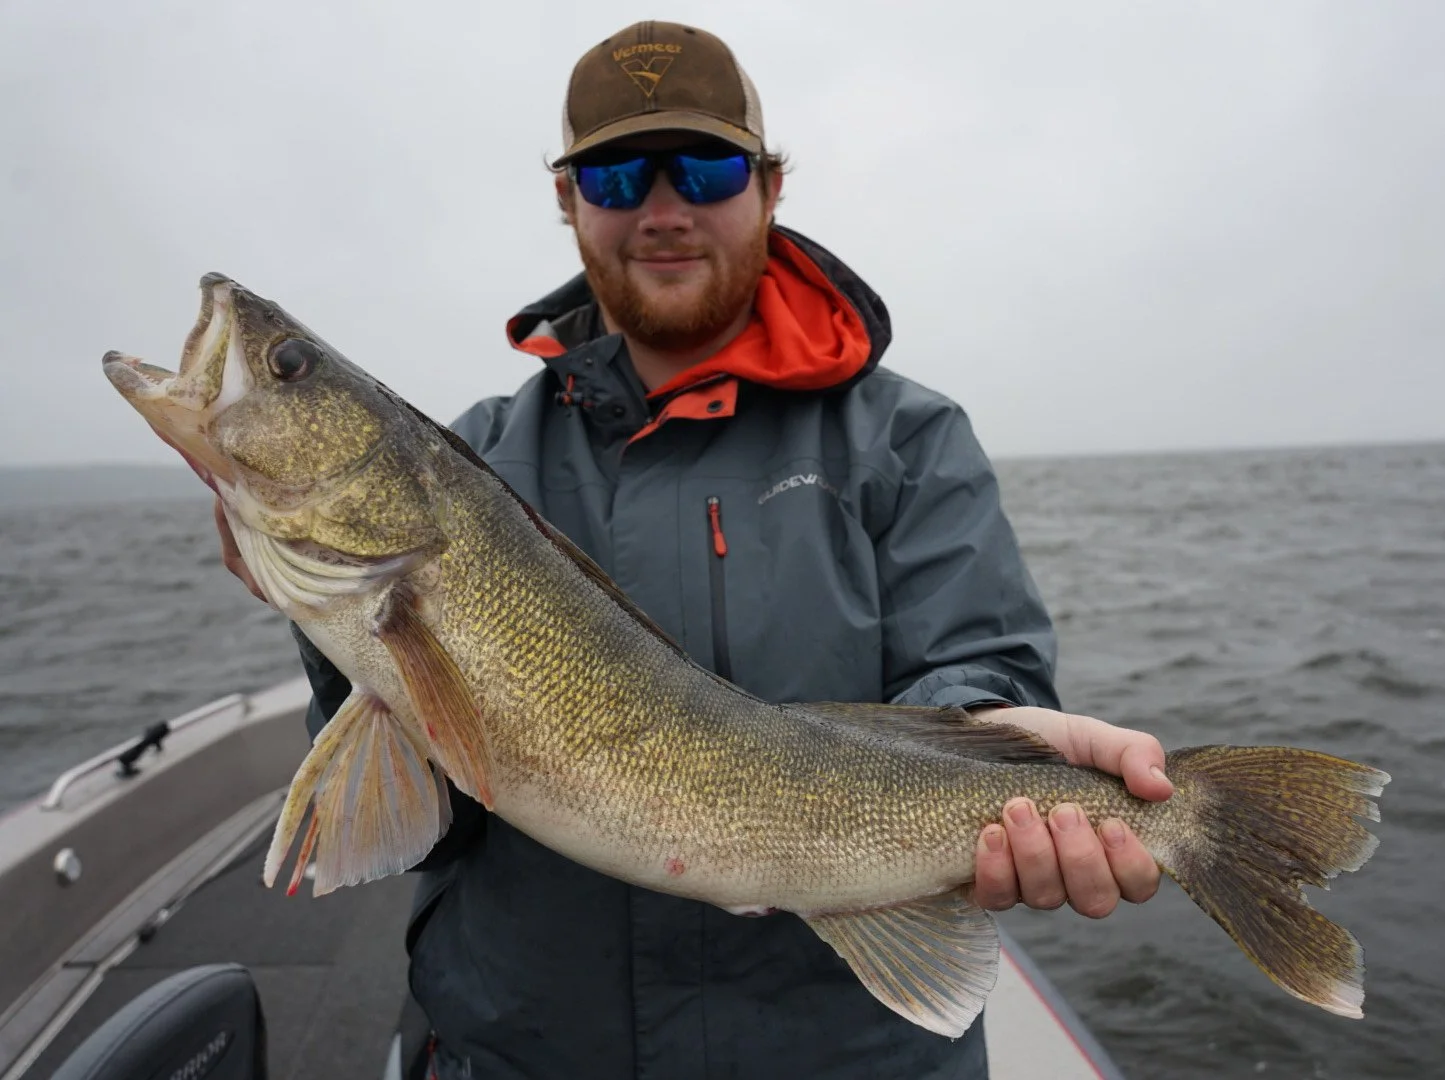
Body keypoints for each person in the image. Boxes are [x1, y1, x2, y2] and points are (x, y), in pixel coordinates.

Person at [215, 20, 1172, 1080]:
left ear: (767, 187)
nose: (662, 211)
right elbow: (426, 828)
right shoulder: (474, 458)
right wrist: (329, 624)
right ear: (568, 200)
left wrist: (997, 743)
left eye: (705, 168)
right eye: (617, 175)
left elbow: (976, 669)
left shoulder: (906, 439)